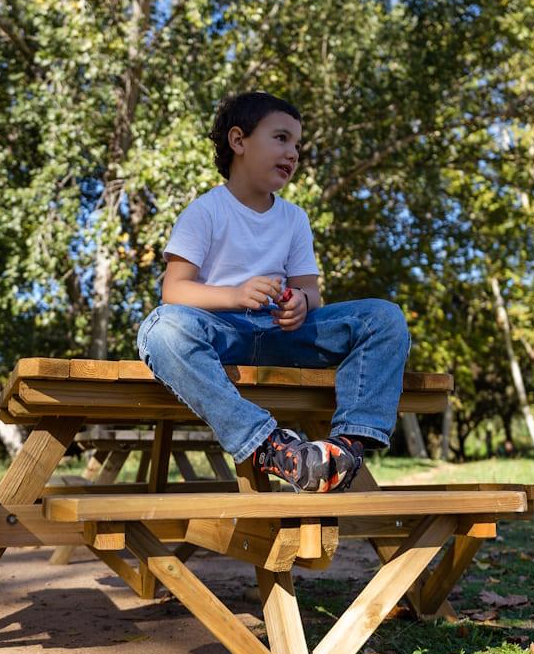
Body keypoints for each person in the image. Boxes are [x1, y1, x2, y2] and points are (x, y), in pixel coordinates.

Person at [136, 91, 411, 493]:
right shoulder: (205, 211)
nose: (293, 153)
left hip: (283, 336)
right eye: (281, 138)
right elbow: (173, 291)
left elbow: (311, 294)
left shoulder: (293, 218)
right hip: (221, 334)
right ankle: (272, 447)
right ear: (238, 141)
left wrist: (300, 304)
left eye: (297, 144)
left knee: (384, 318)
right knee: (161, 329)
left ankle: (345, 448)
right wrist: (234, 295)